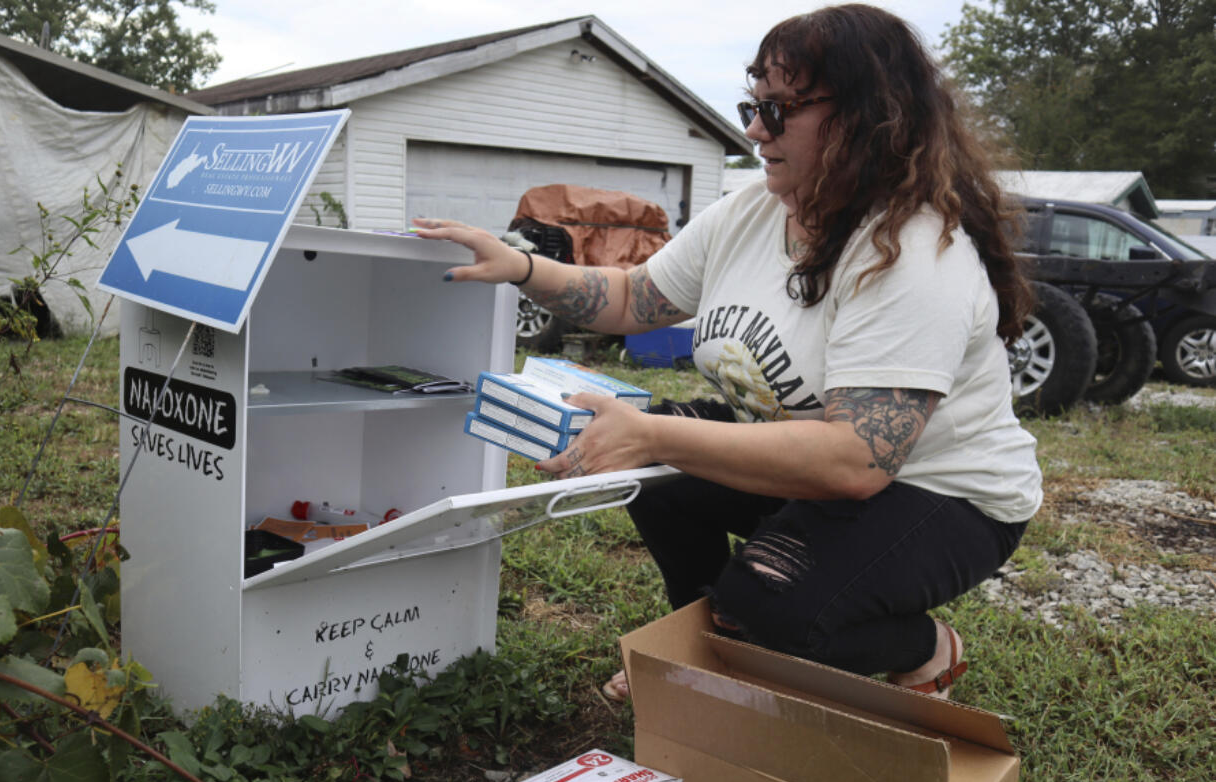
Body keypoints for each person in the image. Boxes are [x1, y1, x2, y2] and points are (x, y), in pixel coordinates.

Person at [415, 3, 1041, 702]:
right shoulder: (754, 211)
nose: (752, 130)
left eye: (778, 111)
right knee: (659, 463)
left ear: (868, 115)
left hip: (941, 491)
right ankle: (710, 643)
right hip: (816, 458)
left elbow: (857, 460)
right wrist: (524, 266)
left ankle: (921, 648)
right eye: (754, 105)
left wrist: (653, 431)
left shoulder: (911, 251)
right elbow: (632, 298)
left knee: (766, 602)